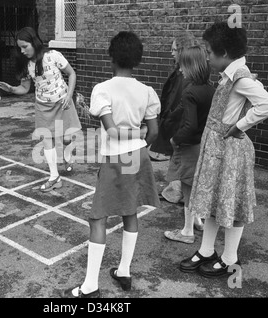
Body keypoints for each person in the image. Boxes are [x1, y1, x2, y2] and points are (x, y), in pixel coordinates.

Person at [62, 31, 161, 298]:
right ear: (137, 60)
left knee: (98, 218)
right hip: (137, 155)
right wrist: (139, 140)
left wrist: (131, 137)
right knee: (130, 212)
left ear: (111, 57)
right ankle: (124, 272)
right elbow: (153, 132)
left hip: (117, 157)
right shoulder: (147, 91)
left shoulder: (103, 89)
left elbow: (113, 131)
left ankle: (91, 285)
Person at [180, 22, 268, 278]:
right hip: (216, 148)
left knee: (232, 203)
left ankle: (229, 258)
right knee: (213, 201)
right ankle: (206, 250)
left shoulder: (240, 78)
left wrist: (239, 126)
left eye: (209, 52)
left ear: (223, 52)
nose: (207, 57)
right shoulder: (230, 75)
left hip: (231, 151)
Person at [0, 27, 82, 192]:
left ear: (34, 43)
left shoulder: (53, 56)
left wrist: (69, 95)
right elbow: (24, 88)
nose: (22, 51)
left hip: (62, 102)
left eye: (25, 46)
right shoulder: (26, 65)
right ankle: (54, 177)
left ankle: (68, 155)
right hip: (43, 105)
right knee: (47, 139)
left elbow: (71, 74)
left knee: (65, 138)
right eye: (19, 47)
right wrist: (11, 89)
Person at [163, 45, 215, 244]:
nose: (180, 69)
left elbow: (190, 125)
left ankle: (186, 232)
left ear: (192, 67)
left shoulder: (190, 91)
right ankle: (197, 221)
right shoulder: (210, 89)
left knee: (187, 187)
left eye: (183, 66)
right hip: (203, 144)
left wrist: (175, 139)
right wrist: (169, 117)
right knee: (195, 185)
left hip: (190, 145)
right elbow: (183, 109)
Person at [149, 31, 200, 204]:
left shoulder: (186, 75)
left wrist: (169, 119)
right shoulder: (182, 71)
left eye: (174, 49)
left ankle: (179, 194)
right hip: (175, 121)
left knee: (181, 160)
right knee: (176, 159)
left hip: (181, 123)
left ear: (182, 50)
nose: (171, 53)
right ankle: (174, 191)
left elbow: (179, 101)